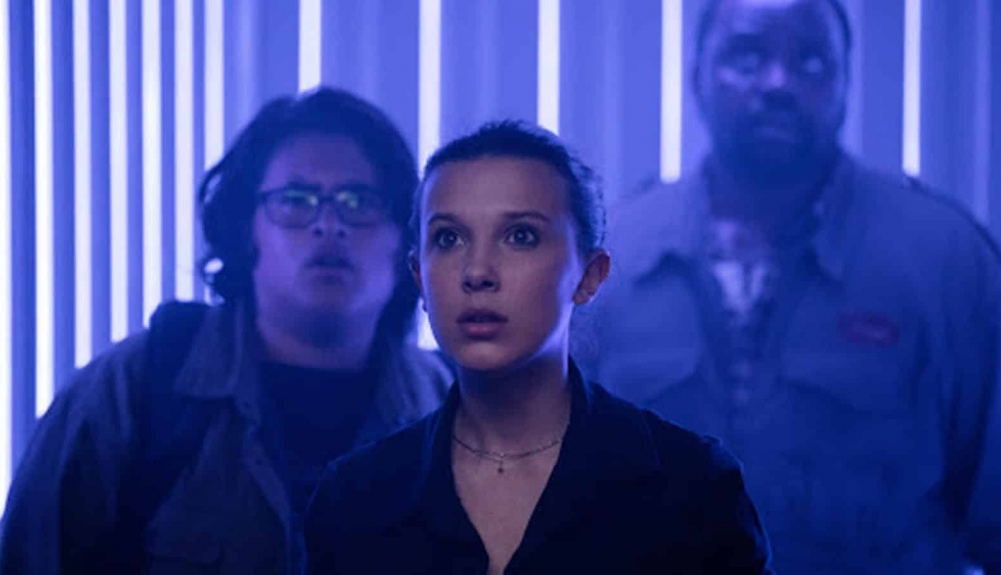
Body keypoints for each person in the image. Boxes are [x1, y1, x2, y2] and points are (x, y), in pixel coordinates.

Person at [575, 0, 1001, 573]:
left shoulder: (945, 261)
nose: (779, 83)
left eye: (811, 60)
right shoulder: (613, 258)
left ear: (846, 81)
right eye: (748, 55)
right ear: (697, 75)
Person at [0, 87, 452, 575]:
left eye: (359, 201)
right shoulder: (130, 394)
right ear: (245, 228)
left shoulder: (452, 408)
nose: (328, 225)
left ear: (405, 236)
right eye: (296, 200)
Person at [305, 121, 773, 575]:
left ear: (590, 275)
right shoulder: (354, 499)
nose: (477, 272)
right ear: (419, 277)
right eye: (448, 238)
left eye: (520, 236)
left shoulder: (692, 489)